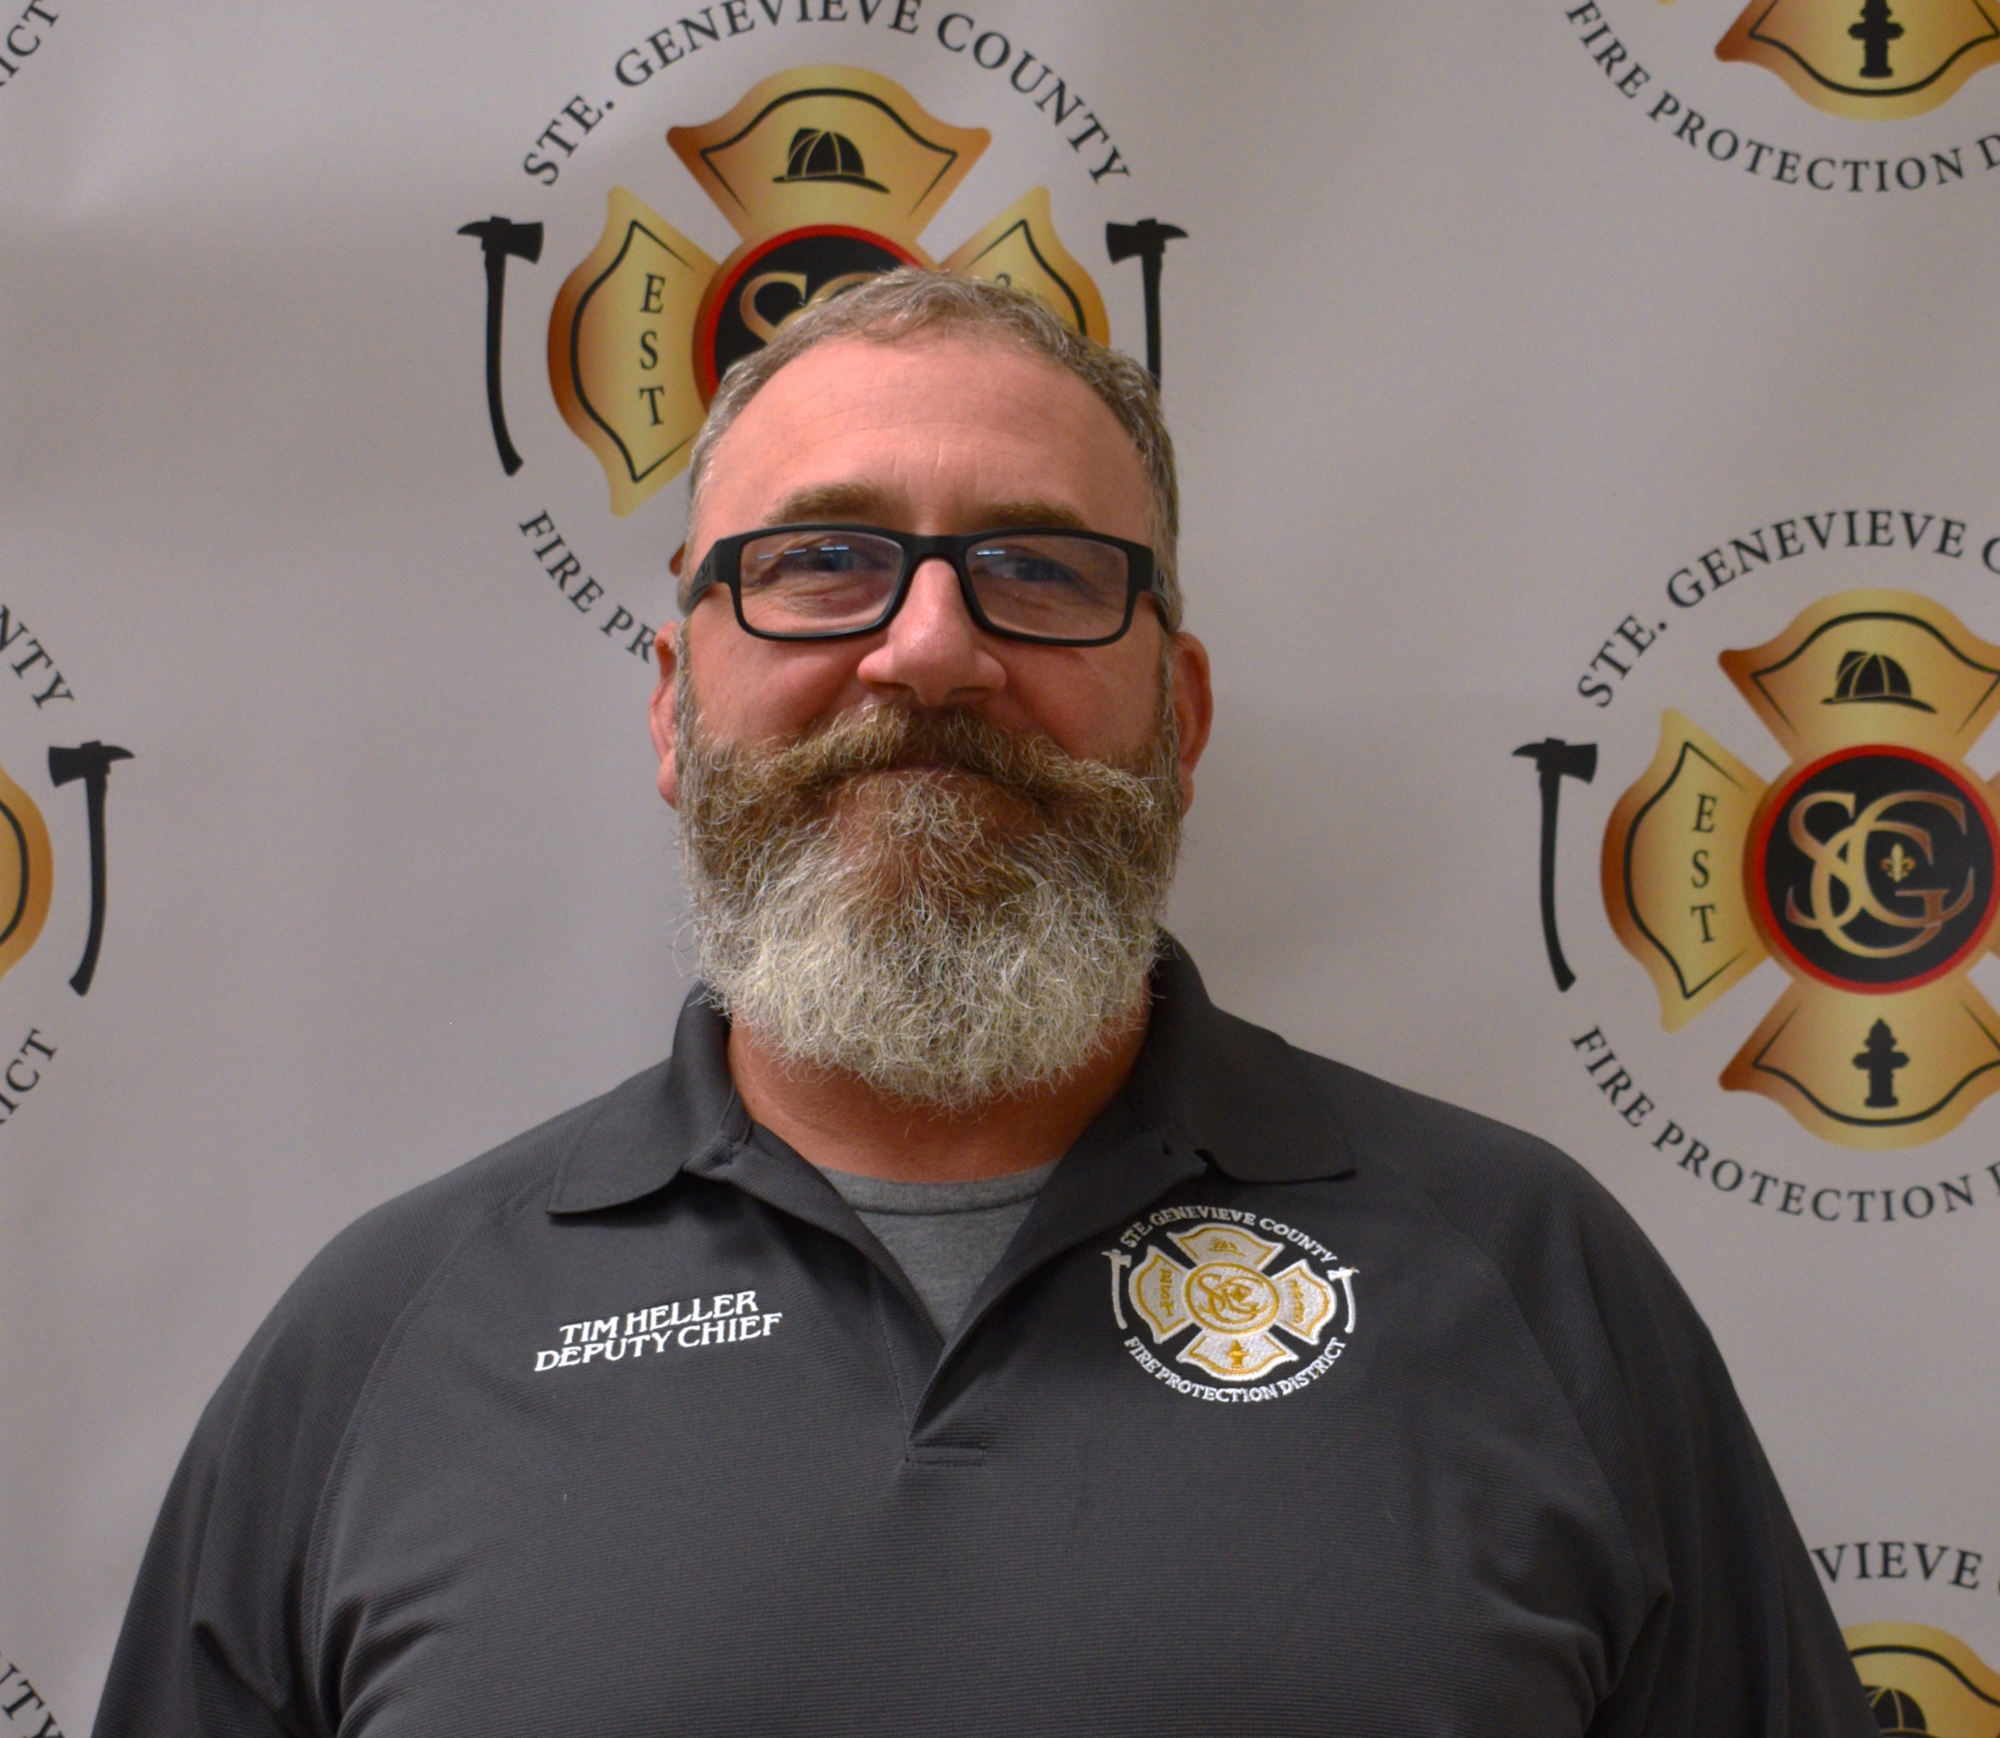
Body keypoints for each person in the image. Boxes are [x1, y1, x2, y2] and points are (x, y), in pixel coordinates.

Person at [94, 271, 1874, 1737]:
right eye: (817, 563)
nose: (930, 648)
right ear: (671, 703)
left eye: (1038, 568)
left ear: (1176, 714)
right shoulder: (389, 1337)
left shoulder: (1536, 1283)